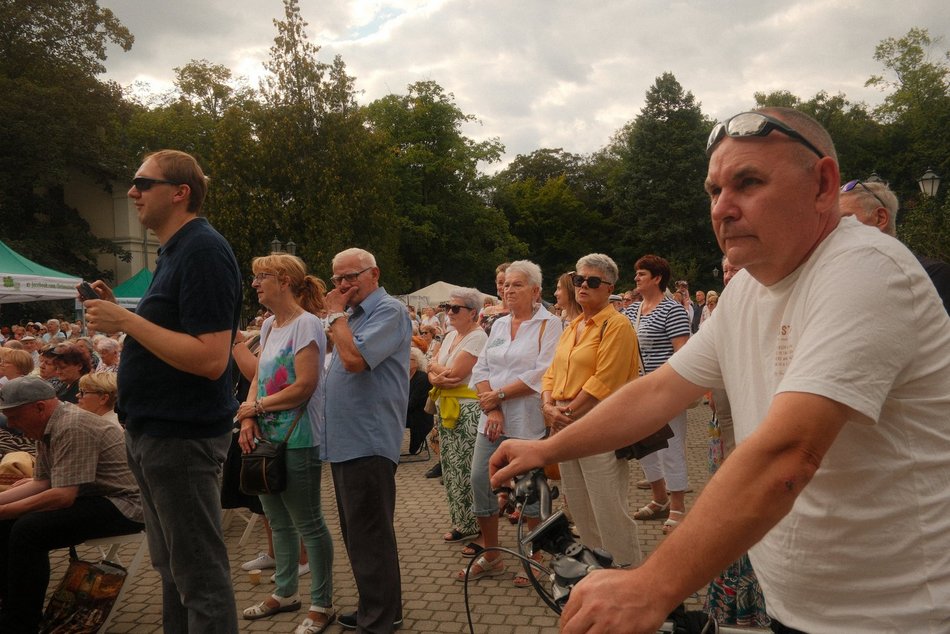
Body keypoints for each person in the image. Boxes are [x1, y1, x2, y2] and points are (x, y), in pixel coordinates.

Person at [491, 108, 950, 633]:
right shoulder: (750, 288)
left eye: (748, 182)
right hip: (801, 608)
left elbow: (789, 453)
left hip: (900, 615)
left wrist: (652, 584)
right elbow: (659, 390)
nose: (723, 209)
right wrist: (547, 449)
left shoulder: (866, 268)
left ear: (823, 185)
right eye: (714, 192)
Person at [84, 149, 242, 633]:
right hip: (157, 435)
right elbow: (173, 339)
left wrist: (127, 320)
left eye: (141, 182)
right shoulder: (178, 250)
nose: (131, 191)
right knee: (174, 573)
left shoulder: (202, 250)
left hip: (181, 439)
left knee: (199, 579)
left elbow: (212, 359)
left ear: (180, 193)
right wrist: (125, 313)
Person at [237, 253, 335, 633]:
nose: (255, 284)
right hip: (265, 439)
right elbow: (259, 377)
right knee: (278, 522)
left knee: (309, 523)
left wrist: (256, 406)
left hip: (298, 438)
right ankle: (285, 592)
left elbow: (305, 386)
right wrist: (248, 414)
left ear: (284, 281)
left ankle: (321, 603)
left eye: (261, 277)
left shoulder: (306, 324)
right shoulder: (269, 327)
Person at [0, 376, 144, 633]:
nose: (11, 425)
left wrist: (4, 510)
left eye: (15, 417)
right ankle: (10, 608)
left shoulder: (71, 425)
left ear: (40, 407)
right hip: (94, 496)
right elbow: (42, 483)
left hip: (125, 504)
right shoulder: (46, 426)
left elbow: (63, 495)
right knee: (10, 524)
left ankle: (21, 624)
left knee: (28, 530)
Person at [323, 247, 411, 633]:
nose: (342, 286)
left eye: (350, 277)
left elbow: (354, 360)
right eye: (337, 279)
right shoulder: (357, 314)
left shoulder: (389, 311)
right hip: (348, 441)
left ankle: (380, 620)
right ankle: (374, 609)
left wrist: (336, 317)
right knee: (358, 535)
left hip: (369, 439)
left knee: (370, 535)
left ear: (373, 274)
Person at [460, 260, 562, 585]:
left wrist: (499, 397)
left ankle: (533, 557)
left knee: (529, 489)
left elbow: (543, 372)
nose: (508, 290)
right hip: (492, 420)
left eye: (516, 285)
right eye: (506, 285)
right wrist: (491, 407)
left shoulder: (551, 324)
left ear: (535, 291)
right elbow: (481, 369)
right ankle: (492, 555)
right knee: (480, 479)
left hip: (526, 420)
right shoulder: (500, 325)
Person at [542, 253, 642, 567]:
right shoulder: (573, 326)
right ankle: (596, 569)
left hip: (598, 422)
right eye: (579, 279)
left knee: (608, 507)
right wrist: (548, 405)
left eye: (592, 281)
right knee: (580, 507)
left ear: (610, 288)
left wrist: (565, 411)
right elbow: (551, 372)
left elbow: (605, 379)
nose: (583, 285)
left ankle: (627, 574)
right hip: (564, 419)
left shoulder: (617, 325)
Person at [703, 256, 769, 628]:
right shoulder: (724, 314)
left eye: (736, 267)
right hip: (722, 436)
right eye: (725, 268)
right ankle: (729, 610)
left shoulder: (768, 309)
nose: (729, 273)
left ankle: (753, 611)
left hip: (754, 443)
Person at [623, 255, 691, 534]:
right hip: (637, 392)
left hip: (665, 391)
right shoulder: (632, 311)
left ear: (657, 278)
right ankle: (659, 498)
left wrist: (670, 388)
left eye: (642, 274)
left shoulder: (672, 310)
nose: (636, 278)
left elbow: (683, 353)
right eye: (636, 274)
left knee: (671, 450)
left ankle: (678, 506)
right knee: (646, 449)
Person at [427, 288, 487, 545]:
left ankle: (477, 523)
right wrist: (437, 372)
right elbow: (432, 368)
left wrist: (436, 371)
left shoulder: (477, 337)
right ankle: (461, 521)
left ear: (473, 312)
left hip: (467, 411)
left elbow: (455, 375)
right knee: (451, 470)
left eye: (455, 308)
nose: (449, 312)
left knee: (467, 470)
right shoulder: (451, 335)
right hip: (446, 408)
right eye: (447, 307)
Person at [839, 178, 950, 314]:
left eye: (846, 218)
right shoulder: (845, 280)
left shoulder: (933, 275)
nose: (836, 229)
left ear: (880, 218)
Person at [406, 346, 433, 456]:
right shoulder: (404, 376)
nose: (405, 361)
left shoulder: (422, 378)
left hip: (419, 416)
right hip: (407, 412)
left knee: (388, 420)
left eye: (409, 359)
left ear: (417, 362)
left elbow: (413, 403)